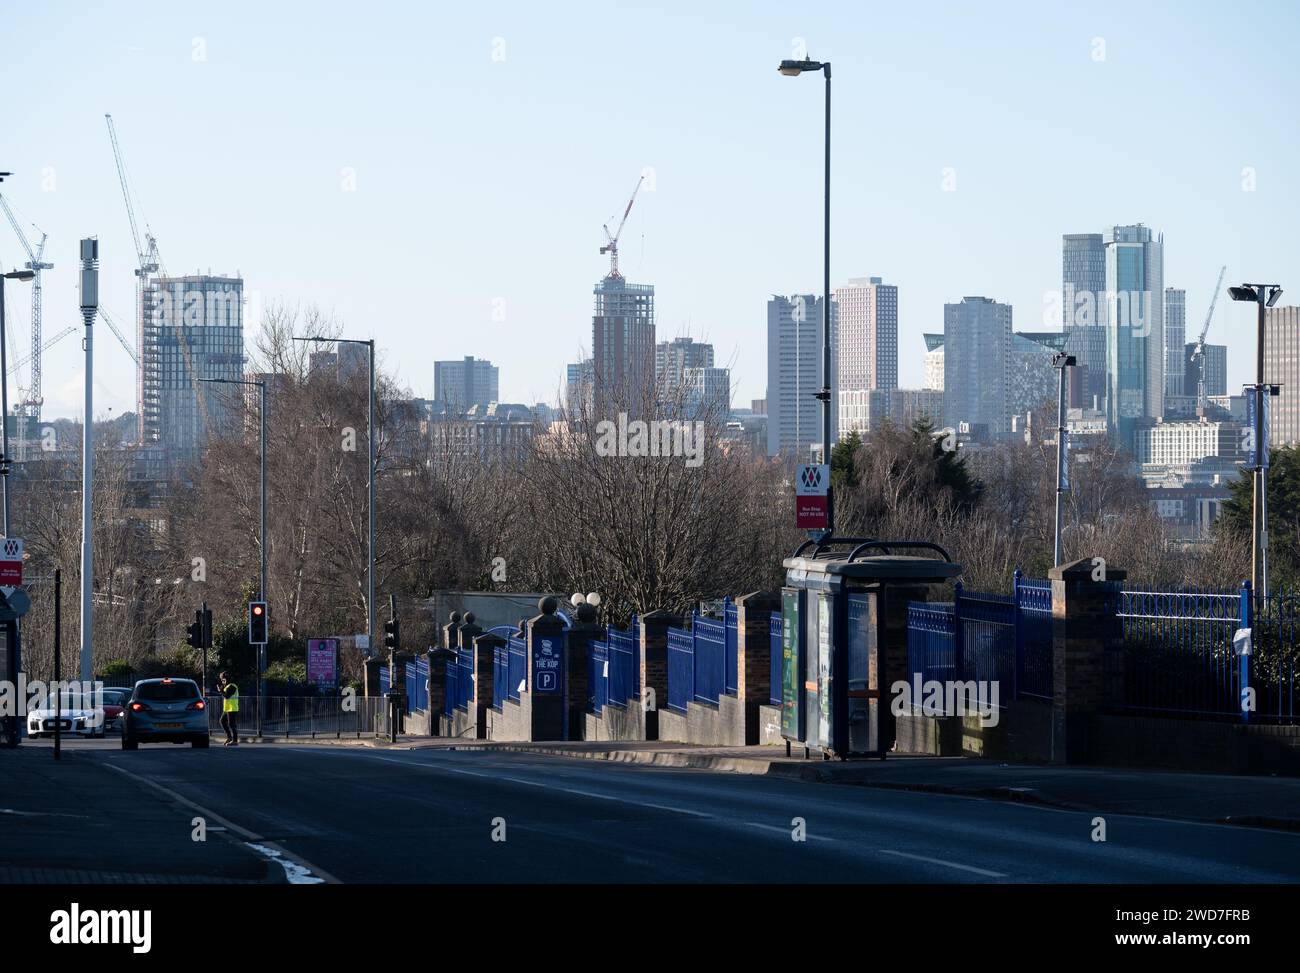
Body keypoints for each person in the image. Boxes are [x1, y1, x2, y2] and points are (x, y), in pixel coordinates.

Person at [218, 672, 239, 746]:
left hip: (232, 708)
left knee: (231, 724)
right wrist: (222, 690)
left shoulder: (232, 686)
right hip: (227, 709)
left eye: (223, 679)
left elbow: (227, 696)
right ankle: (229, 737)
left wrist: (221, 691)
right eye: (221, 680)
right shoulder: (227, 686)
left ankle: (235, 740)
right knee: (222, 721)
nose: (222, 681)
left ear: (226, 679)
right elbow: (225, 695)